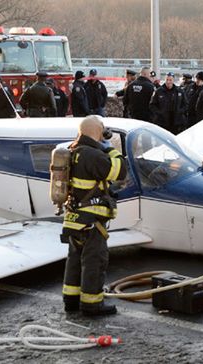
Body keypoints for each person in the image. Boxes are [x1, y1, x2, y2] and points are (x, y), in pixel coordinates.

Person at [61, 115, 127, 316]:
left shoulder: (72, 151)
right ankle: (92, 304)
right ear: (97, 132)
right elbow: (120, 171)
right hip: (92, 218)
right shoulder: (93, 155)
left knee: (75, 259)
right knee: (94, 260)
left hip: (73, 217)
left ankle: (71, 300)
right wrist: (110, 148)